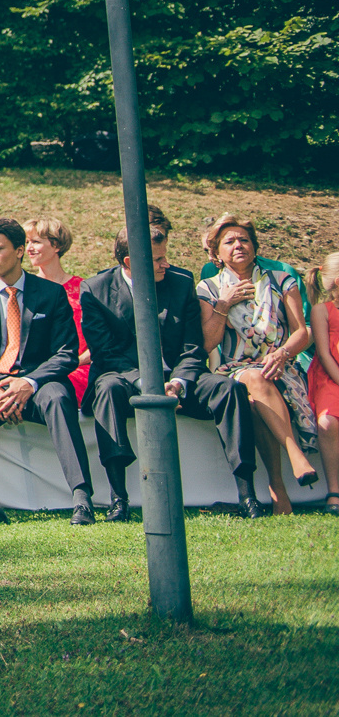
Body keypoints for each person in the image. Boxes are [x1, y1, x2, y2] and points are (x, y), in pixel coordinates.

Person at [83, 208, 259, 522]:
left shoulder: (180, 282)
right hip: (127, 378)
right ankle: (118, 499)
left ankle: (247, 495)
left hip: (179, 377)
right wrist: (147, 383)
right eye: (158, 259)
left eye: (165, 256)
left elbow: (192, 348)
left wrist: (177, 383)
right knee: (107, 388)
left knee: (228, 389)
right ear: (130, 262)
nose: (166, 263)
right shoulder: (95, 290)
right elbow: (107, 354)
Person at [0, 218, 94, 525]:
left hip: (40, 383)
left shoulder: (52, 294)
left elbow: (66, 353)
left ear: (19, 251)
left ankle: (82, 499)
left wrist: (28, 382)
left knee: (58, 399)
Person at [199, 216, 321, 507]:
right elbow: (208, 343)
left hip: (281, 363)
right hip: (235, 368)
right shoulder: (209, 288)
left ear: (254, 247)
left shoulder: (282, 280)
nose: (238, 245)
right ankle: (295, 453)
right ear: (216, 253)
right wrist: (224, 304)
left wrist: (282, 354)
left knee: (255, 403)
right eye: (229, 242)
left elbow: (301, 331)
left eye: (244, 240)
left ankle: (278, 488)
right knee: (254, 377)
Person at [24, 218, 89, 404]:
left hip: (78, 367)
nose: (29, 248)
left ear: (57, 245)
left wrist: (73, 362)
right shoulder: (24, 288)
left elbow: (99, 340)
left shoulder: (84, 289)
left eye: (35, 242)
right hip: (33, 370)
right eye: (27, 242)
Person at [308, 251, 339, 506]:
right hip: (331, 376)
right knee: (328, 422)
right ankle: (334, 490)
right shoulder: (322, 310)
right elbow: (325, 354)